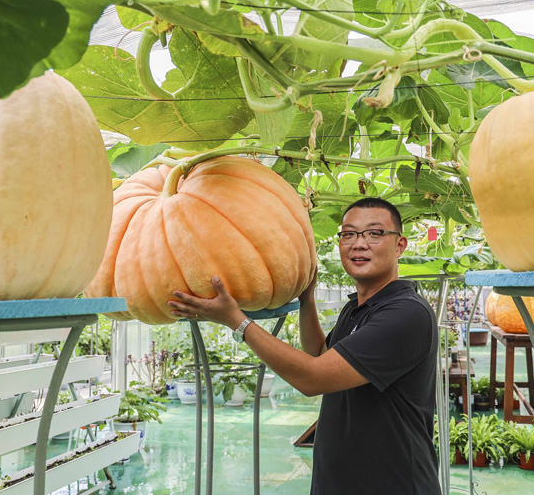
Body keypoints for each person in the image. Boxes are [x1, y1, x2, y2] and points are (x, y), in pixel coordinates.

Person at [167, 197, 441, 495]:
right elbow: (321, 354)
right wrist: (307, 299)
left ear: (399, 245)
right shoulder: (359, 307)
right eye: (348, 234)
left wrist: (236, 320)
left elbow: (313, 377)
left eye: (374, 233)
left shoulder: (406, 313)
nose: (358, 244)